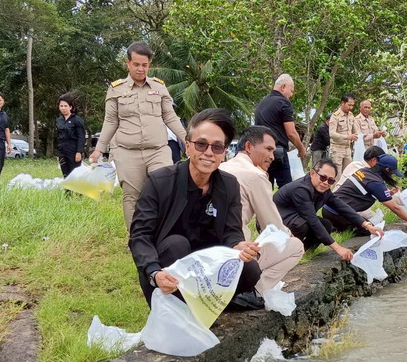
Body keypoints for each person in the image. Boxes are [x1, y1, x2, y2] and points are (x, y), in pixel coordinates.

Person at [129, 108, 263, 310]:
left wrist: (238, 246)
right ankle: (181, 308)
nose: (208, 152)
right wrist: (154, 272)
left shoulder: (229, 185)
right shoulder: (160, 181)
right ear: (188, 147)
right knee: (176, 244)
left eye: (217, 147)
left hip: (207, 267)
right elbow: (139, 236)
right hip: (166, 270)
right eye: (201, 144)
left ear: (224, 153)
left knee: (250, 269)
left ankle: (209, 304)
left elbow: (231, 232)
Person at [90, 41, 187, 230]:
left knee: (165, 190)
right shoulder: (116, 89)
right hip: (128, 153)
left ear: (150, 64)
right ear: (128, 63)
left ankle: (163, 235)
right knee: (132, 197)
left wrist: (187, 140)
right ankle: (136, 238)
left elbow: (170, 116)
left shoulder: (159, 87)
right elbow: (110, 121)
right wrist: (99, 149)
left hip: (158, 150)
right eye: (136, 64)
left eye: (145, 65)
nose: (141, 69)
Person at [220, 126, 305, 293]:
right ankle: (256, 291)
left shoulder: (223, 167)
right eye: (268, 149)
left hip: (210, 247)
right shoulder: (255, 175)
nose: (272, 156)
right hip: (236, 251)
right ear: (249, 146)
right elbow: (272, 226)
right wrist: (289, 235)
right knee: (296, 246)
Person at [274, 159, 383, 260]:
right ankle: (287, 253)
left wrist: (367, 225)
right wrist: (338, 248)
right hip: (276, 223)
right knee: (302, 225)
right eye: (323, 177)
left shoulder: (324, 190)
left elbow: (342, 207)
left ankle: (304, 251)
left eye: (331, 181)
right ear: (312, 173)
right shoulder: (301, 189)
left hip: (296, 219)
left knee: (326, 225)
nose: (326, 183)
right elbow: (312, 220)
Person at [325, 147, 407, 235]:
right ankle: (339, 227)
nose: (391, 176)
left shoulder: (364, 171)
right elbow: (395, 208)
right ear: (387, 169)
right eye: (392, 173)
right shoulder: (375, 182)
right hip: (338, 214)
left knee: (368, 224)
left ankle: (335, 226)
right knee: (373, 230)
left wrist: (388, 193)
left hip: (328, 209)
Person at [254, 74, 307, 188]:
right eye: (291, 90)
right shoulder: (283, 103)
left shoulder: (262, 103)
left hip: (260, 151)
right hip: (277, 151)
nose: (291, 95)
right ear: (283, 87)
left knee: (265, 186)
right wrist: (301, 149)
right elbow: (291, 133)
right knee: (286, 188)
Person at [55, 93, 86, 178]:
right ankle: (67, 187)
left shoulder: (77, 120)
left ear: (70, 107)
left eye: (65, 106)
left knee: (75, 174)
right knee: (66, 174)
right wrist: (58, 153)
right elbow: (58, 136)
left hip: (73, 150)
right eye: (61, 106)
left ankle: (78, 187)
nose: (63, 108)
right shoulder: (59, 120)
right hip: (62, 151)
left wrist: (79, 152)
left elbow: (81, 137)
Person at [328, 93, 358, 180]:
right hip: (337, 149)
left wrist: (357, 136)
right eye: (349, 105)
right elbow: (332, 134)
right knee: (337, 176)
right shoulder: (335, 116)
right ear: (342, 103)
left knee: (348, 174)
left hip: (348, 149)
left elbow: (356, 130)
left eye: (352, 105)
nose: (351, 107)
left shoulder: (351, 115)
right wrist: (347, 137)